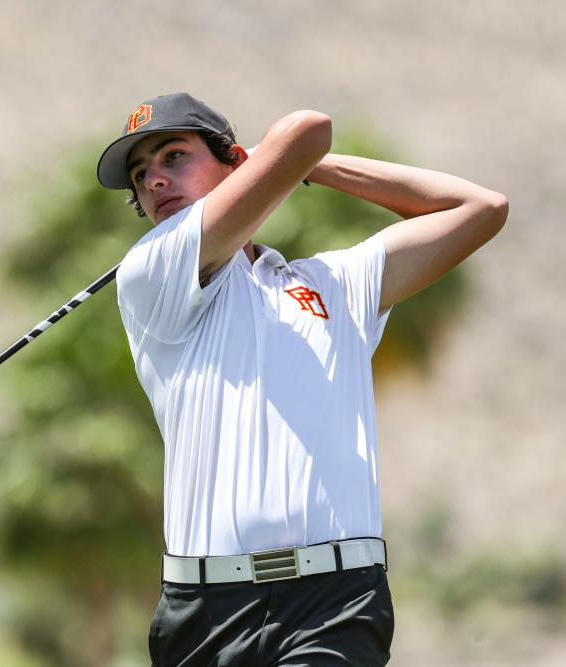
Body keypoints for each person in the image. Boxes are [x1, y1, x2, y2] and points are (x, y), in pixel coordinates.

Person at [96, 92, 508, 667]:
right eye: (140, 176)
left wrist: (308, 164)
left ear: (236, 162)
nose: (155, 181)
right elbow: (304, 134)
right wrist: (285, 159)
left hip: (334, 601)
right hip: (206, 609)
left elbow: (481, 208)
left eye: (173, 156)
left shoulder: (333, 285)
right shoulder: (152, 268)